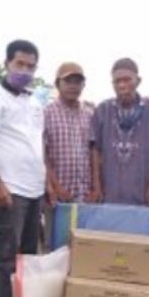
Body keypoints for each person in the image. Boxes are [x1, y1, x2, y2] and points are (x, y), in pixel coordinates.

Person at [0, 39, 45, 297]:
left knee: (28, 255)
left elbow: (35, 144)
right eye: (19, 64)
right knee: (4, 255)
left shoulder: (33, 102)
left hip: (34, 189)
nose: (25, 71)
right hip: (10, 190)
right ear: (6, 63)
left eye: (31, 66)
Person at [91, 58, 149, 205]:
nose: (122, 85)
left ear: (138, 81)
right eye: (117, 81)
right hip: (110, 192)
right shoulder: (103, 109)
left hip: (142, 192)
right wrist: (97, 186)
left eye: (127, 80)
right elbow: (95, 150)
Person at [44, 62, 96, 204]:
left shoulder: (90, 115)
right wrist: (55, 186)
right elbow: (42, 155)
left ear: (83, 85)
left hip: (85, 195)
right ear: (57, 84)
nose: (73, 86)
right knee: (55, 227)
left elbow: (94, 153)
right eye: (68, 81)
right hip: (56, 196)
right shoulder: (46, 114)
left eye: (77, 82)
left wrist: (95, 189)